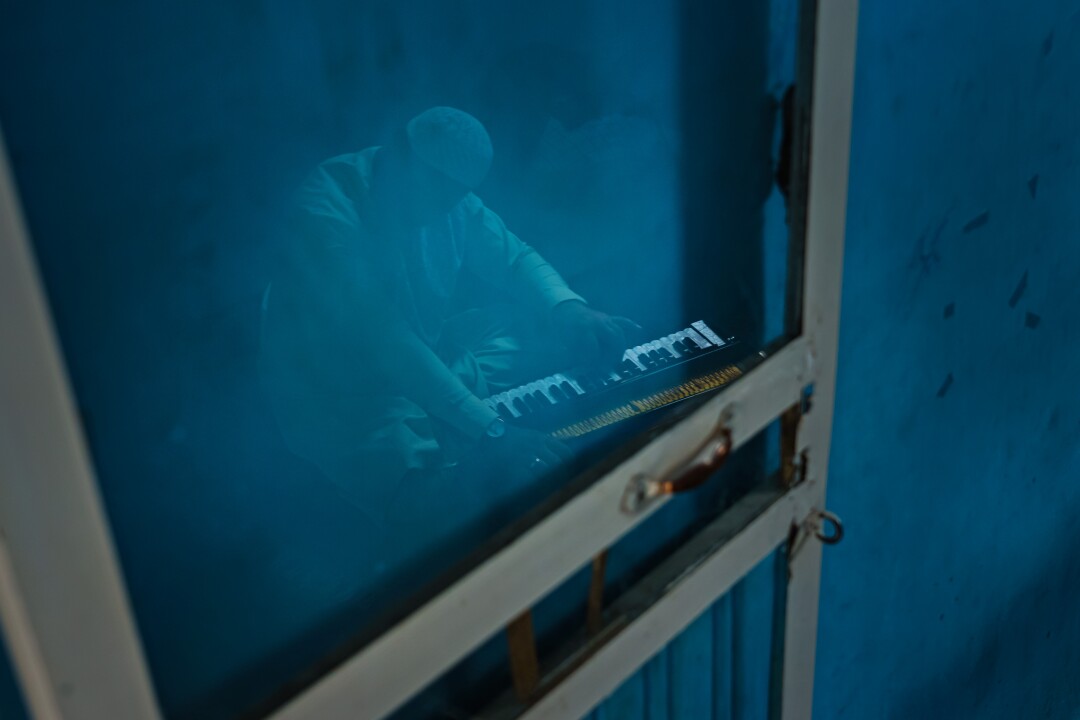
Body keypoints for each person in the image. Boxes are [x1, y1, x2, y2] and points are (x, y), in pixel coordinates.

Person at [258, 107, 634, 532]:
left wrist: (571, 310)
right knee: (436, 505)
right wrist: (493, 432)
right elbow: (384, 339)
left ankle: (464, 408)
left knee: (540, 324)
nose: (435, 208)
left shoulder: (448, 200)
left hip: (424, 352)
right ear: (398, 150)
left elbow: (512, 258)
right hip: (340, 393)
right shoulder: (325, 208)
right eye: (429, 189)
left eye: (449, 197)